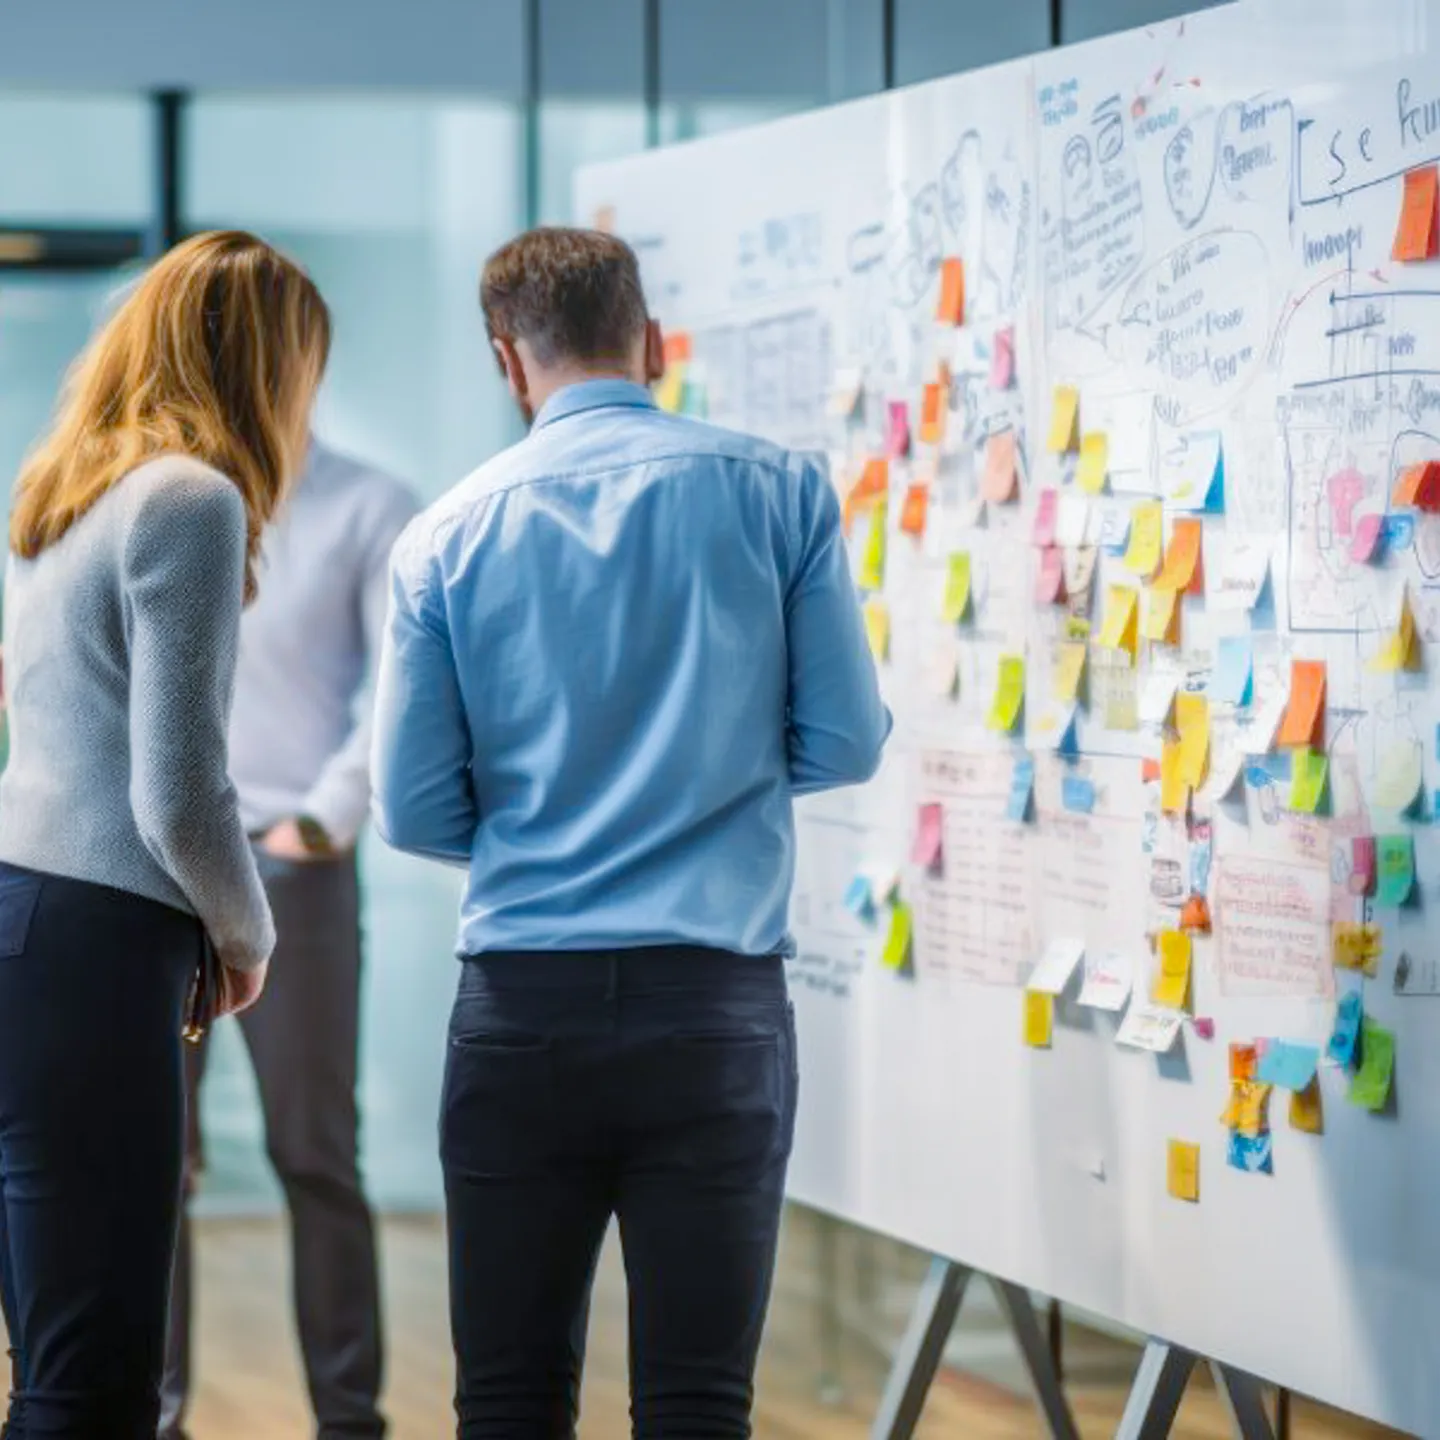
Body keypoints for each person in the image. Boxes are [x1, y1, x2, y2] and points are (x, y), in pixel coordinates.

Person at [371, 227, 890, 1439]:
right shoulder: (780, 491)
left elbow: (414, 809)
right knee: (700, 1402)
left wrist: (542, 830)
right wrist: (717, 781)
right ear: (651, 342)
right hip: (715, 1016)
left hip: (518, 1018)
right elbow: (849, 743)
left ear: (509, 361)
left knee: (507, 1393)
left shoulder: (445, 535)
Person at [0, 231, 330, 1437]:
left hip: (25, 916)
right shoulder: (192, 499)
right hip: (97, 939)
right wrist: (249, 936)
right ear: (262, 369)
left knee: (51, 1352)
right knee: (96, 1376)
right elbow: (179, 790)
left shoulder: (70, 504)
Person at [159, 437, 416, 1440]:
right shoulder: (159, 497)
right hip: (155, 867)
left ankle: (351, 1422)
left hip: (293, 867)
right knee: (152, 1164)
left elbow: (403, 682)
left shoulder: (371, 502)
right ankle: (156, 1415)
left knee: (316, 1155)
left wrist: (320, 821)